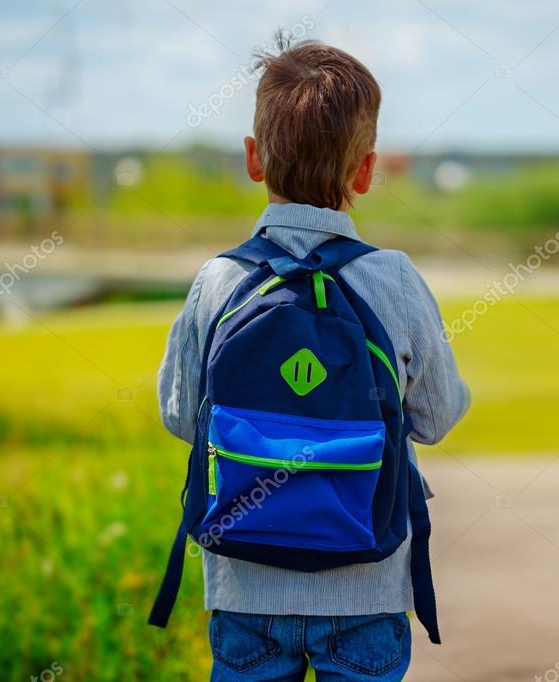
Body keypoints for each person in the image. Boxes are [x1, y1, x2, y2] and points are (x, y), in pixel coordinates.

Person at [157, 38, 470, 681]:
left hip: (245, 585)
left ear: (253, 159)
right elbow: (436, 417)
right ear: (365, 171)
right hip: (368, 587)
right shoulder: (395, 280)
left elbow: (182, 418)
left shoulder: (218, 281)